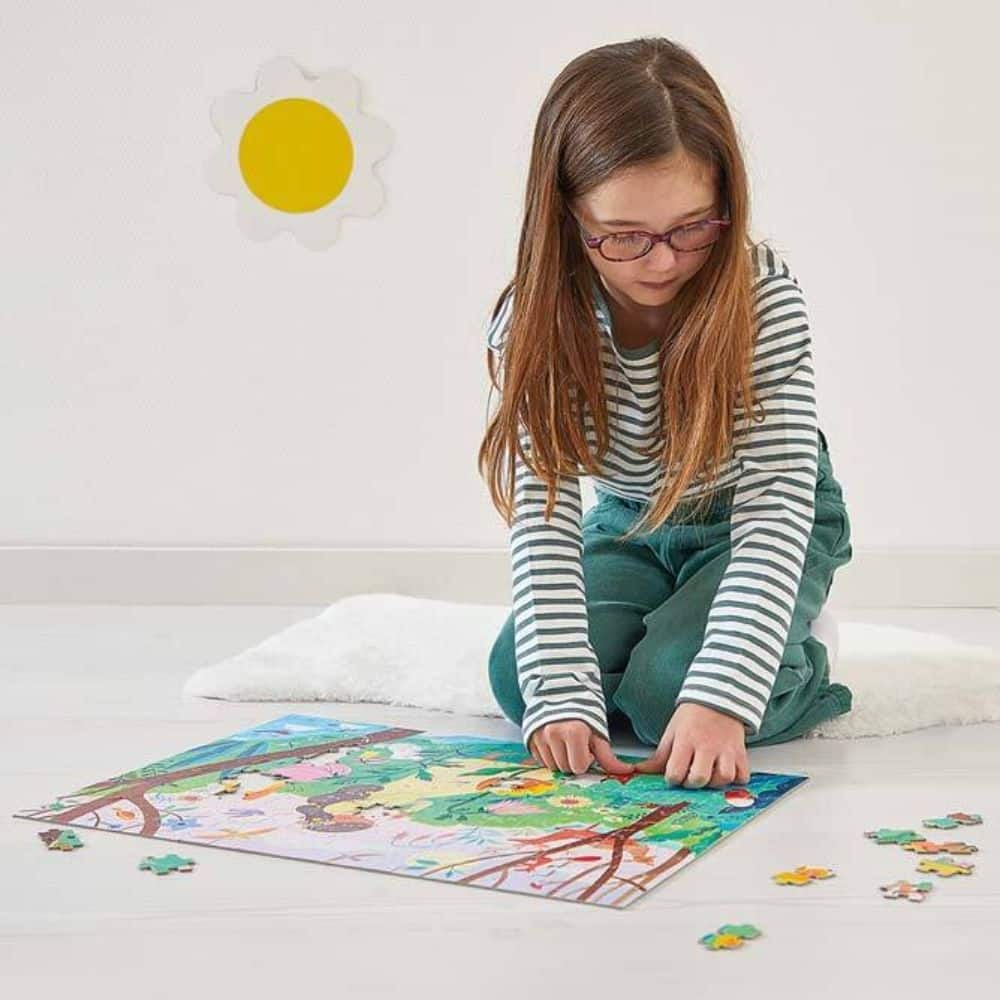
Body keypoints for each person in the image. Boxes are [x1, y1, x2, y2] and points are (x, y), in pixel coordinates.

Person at [477, 37, 853, 790]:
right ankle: (688, 630)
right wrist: (561, 689)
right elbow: (545, 510)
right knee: (523, 680)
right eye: (624, 236)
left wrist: (722, 696)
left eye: (692, 228)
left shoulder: (763, 300)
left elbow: (776, 503)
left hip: (759, 517)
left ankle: (796, 651)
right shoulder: (536, 321)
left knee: (665, 697)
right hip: (632, 519)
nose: (662, 261)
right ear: (566, 216)